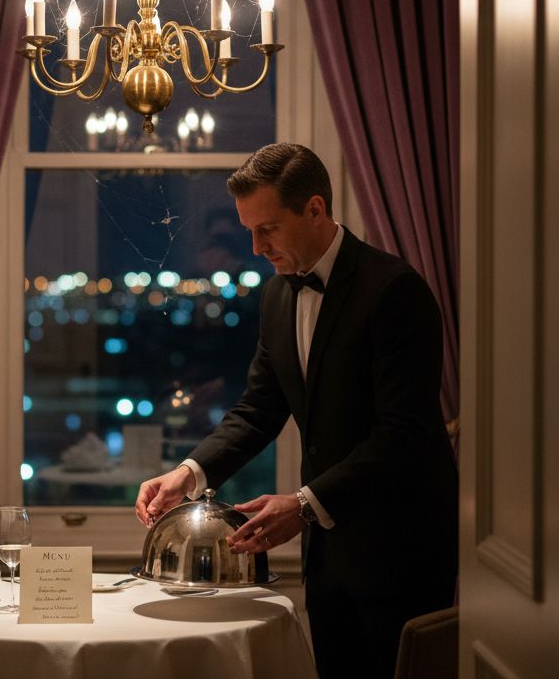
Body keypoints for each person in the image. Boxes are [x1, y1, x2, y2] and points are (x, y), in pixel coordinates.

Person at [134, 143, 458, 676]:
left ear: (314, 209)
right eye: (248, 231)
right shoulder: (277, 296)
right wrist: (187, 473)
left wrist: (304, 505)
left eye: (268, 229)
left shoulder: (396, 290)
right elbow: (260, 406)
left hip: (402, 546)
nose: (256, 247)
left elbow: (404, 433)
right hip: (328, 556)